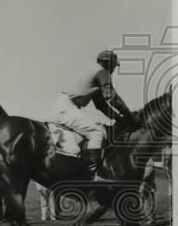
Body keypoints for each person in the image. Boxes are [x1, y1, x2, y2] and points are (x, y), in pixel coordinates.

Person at [52, 49, 139, 181]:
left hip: (65, 105)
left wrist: (118, 117)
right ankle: (93, 175)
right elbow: (112, 98)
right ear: (108, 63)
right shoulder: (102, 72)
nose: (114, 69)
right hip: (67, 106)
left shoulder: (94, 70)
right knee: (96, 132)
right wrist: (128, 116)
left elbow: (101, 105)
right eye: (114, 65)